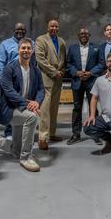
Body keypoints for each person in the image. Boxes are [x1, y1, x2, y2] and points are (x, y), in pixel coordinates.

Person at [0, 38, 44, 172]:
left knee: (15, 151)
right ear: (18, 50)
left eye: (28, 48)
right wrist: (28, 104)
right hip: (10, 109)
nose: (26, 50)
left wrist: (36, 102)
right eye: (23, 48)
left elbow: (41, 89)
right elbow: (9, 91)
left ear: (32, 51)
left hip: (24, 108)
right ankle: (26, 157)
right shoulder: (9, 68)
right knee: (32, 117)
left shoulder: (35, 70)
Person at [65, 28, 103, 145]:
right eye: (81, 33)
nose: (84, 35)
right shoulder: (72, 48)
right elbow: (68, 64)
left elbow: (101, 63)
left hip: (91, 81)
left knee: (93, 109)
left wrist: (90, 73)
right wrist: (76, 73)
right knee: (77, 108)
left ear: (89, 35)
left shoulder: (96, 48)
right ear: (78, 35)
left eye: (86, 34)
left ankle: (95, 133)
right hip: (77, 81)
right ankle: (76, 134)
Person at [0, 24, 32, 140]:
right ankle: (9, 133)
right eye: (17, 29)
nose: (20, 31)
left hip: (25, 78)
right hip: (10, 80)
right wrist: (4, 83)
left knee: (23, 105)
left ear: (25, 31)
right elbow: (0, 64)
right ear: (14, 30)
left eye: (22, 29)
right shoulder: (5, 44)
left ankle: (21, 132)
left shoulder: (30, 43)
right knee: (10, 106)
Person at [35, 19, 66, 150]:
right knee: (45, 110)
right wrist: (54, 72)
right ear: (47, 27)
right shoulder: (41, 40)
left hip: (58, 79)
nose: (54, 28)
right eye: (51, 26)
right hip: (46, 77)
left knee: (54, 108)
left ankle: (51, 134)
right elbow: (40, 59)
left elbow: (63, 59)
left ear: (58, 28)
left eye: (56, 26)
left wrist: (61, 71)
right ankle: (42, 137)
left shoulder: (62, 41)